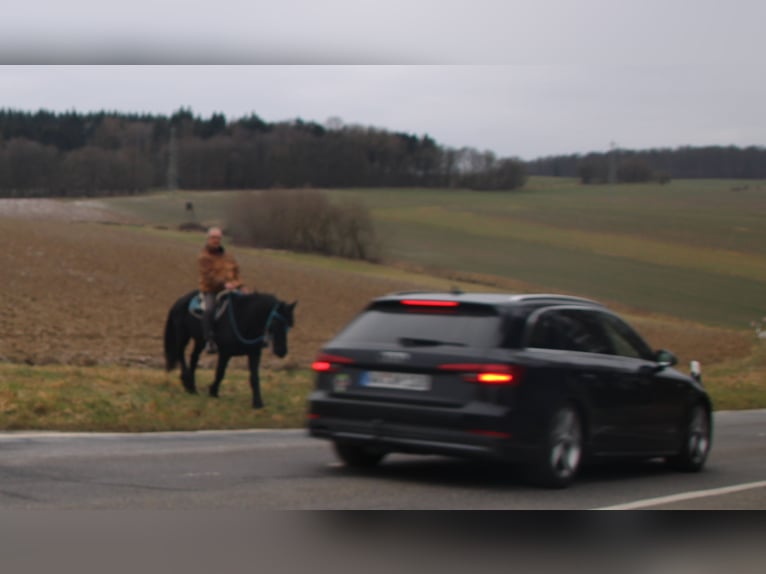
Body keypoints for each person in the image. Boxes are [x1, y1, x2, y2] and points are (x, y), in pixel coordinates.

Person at [198, 227, 243, 354]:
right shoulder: (204, 257)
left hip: (231, 288)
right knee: (210, 310)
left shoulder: (228, 256)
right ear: (208, 239)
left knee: (249, 306)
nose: (216, 240)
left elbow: (237, 272)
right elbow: (209, 277)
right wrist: (225, 284)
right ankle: (209, 340)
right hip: (212, 290)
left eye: (218, 238)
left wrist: (239, 284)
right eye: (213, 238)